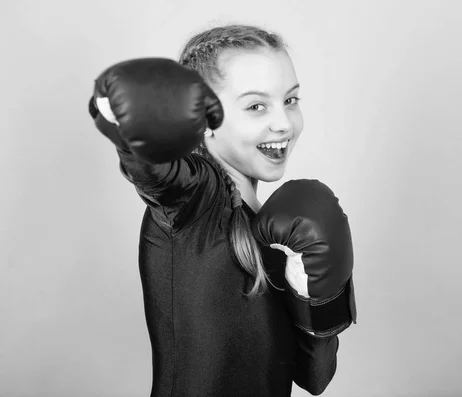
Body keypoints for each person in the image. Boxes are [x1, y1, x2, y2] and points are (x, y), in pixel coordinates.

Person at [88, 24, 355, 397]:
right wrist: (125, 118)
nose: (283, 123)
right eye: (256, 106)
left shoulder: (281, 231)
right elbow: (155, 172)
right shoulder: (196, 201)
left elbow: (315, 377)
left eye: (290, 100)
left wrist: (316, 293)